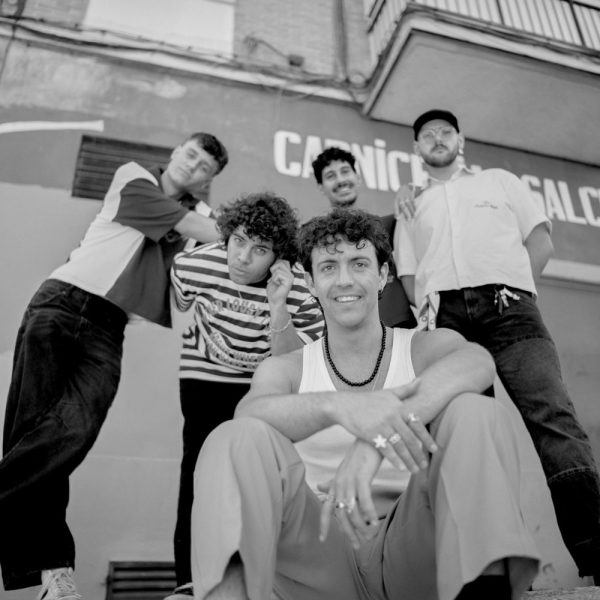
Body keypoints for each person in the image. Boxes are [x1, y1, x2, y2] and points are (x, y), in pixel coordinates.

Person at [188, 208, 541, 600]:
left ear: (383, 275)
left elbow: (478, 363)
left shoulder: (423, 347)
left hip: (411, 550)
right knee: (233, 438)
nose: (345, 280)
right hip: (318, 557)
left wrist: (375, 439)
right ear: (310, 281)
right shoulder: (287, 368)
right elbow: (249, 413)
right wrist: (340, 408)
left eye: (359, 264)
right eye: (328, 267)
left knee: (475, 412)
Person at [0, 132, 229, 600]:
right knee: (33, 432)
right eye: (191, 154)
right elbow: (211, 231)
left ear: (208, 180)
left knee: (73, 432)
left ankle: (48, 563)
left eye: (205, 167)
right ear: (175, 152)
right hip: (62, 303)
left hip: (108, 327)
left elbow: (217, 255)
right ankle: (54, 572)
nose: (194, 166)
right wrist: (227, 228)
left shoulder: (197, 219)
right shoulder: (134, 178)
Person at [394, 108, 600, 583]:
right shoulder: (412, 205)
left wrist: (514, 290)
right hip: (445, 318)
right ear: (417, 149)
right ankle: (487, 571)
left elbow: (540, 242)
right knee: (469, 435)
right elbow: (408, 273)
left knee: (553, 419)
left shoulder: (500, 181)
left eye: (446, 132)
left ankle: (596, 556)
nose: (437, 138)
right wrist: (430, 315)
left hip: (510, 307)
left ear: (460, 140)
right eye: (427, 135)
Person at [165, 192, 324, 600]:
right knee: (198, 469)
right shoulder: (193, 265)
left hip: (259, 382)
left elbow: (293, 362)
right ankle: (188, 581)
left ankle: (263, 581)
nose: (242, 258)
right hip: (204, 372)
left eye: (259, 250)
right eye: (238, 241)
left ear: (278, 256)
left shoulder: (299, 291)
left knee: (258, 473)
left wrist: (278, 304)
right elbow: (180, 301)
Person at [312, 147, 416, 329]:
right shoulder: (315, 239)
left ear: (357, 177)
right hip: (344, 334)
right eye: (330, 176)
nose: (341, 180)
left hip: (398, 329)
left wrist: (409, 189)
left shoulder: (388, 225)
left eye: (345, 171)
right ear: (321, 187)